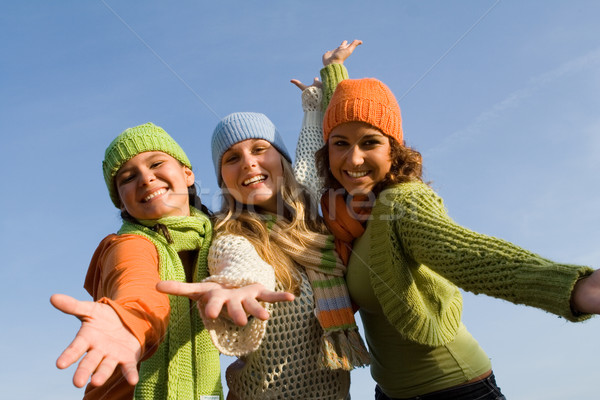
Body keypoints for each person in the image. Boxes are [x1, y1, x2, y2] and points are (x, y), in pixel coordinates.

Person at [292, 40, 600, 400]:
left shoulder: (402, 203)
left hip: (456, 389)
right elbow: (345, 112)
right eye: (340, 144)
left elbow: (465, 255)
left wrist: (573, 287)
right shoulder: (345, 216)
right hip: (390, 393)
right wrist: (334, 69)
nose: (353, 158)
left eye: (371, 143)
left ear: (393, 151)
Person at [158, 109, 370, 399]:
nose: (248, 163)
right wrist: (240, 285)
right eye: (232, 158)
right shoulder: (232, 235)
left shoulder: (312, 219)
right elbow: (238, 261)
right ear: (223, 179)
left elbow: (310, 149)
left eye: (260, 149)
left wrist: (311, 104)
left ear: (282, 160)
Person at [50, 122, 247, 399]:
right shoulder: (128, 244)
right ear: (121, 202)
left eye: (156, 164)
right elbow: (136, 283)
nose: (145, 179)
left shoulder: (219, 240)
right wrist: (129, 319)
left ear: (187, 174)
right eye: (128, 178)